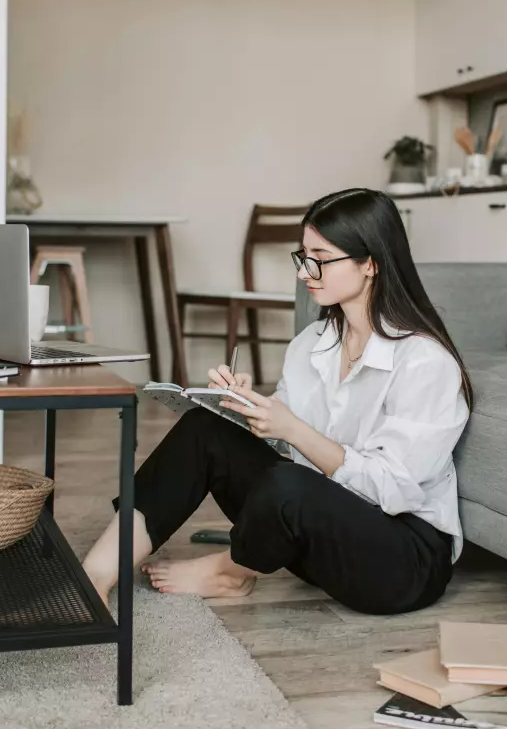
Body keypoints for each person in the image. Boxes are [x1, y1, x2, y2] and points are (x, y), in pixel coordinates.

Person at [81, 187, 473, 615]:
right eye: (303, 255)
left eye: (321, 258)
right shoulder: (312, 343)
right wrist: (245, 408)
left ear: (370, 265)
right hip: (324, 533)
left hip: (402, 561)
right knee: (205, 430)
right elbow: (285, 448)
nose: (306, 271)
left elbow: (394, 490)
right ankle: (96, 574)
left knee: (290, 486)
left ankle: (231, 571)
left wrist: (294, 430)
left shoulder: (425, 362)